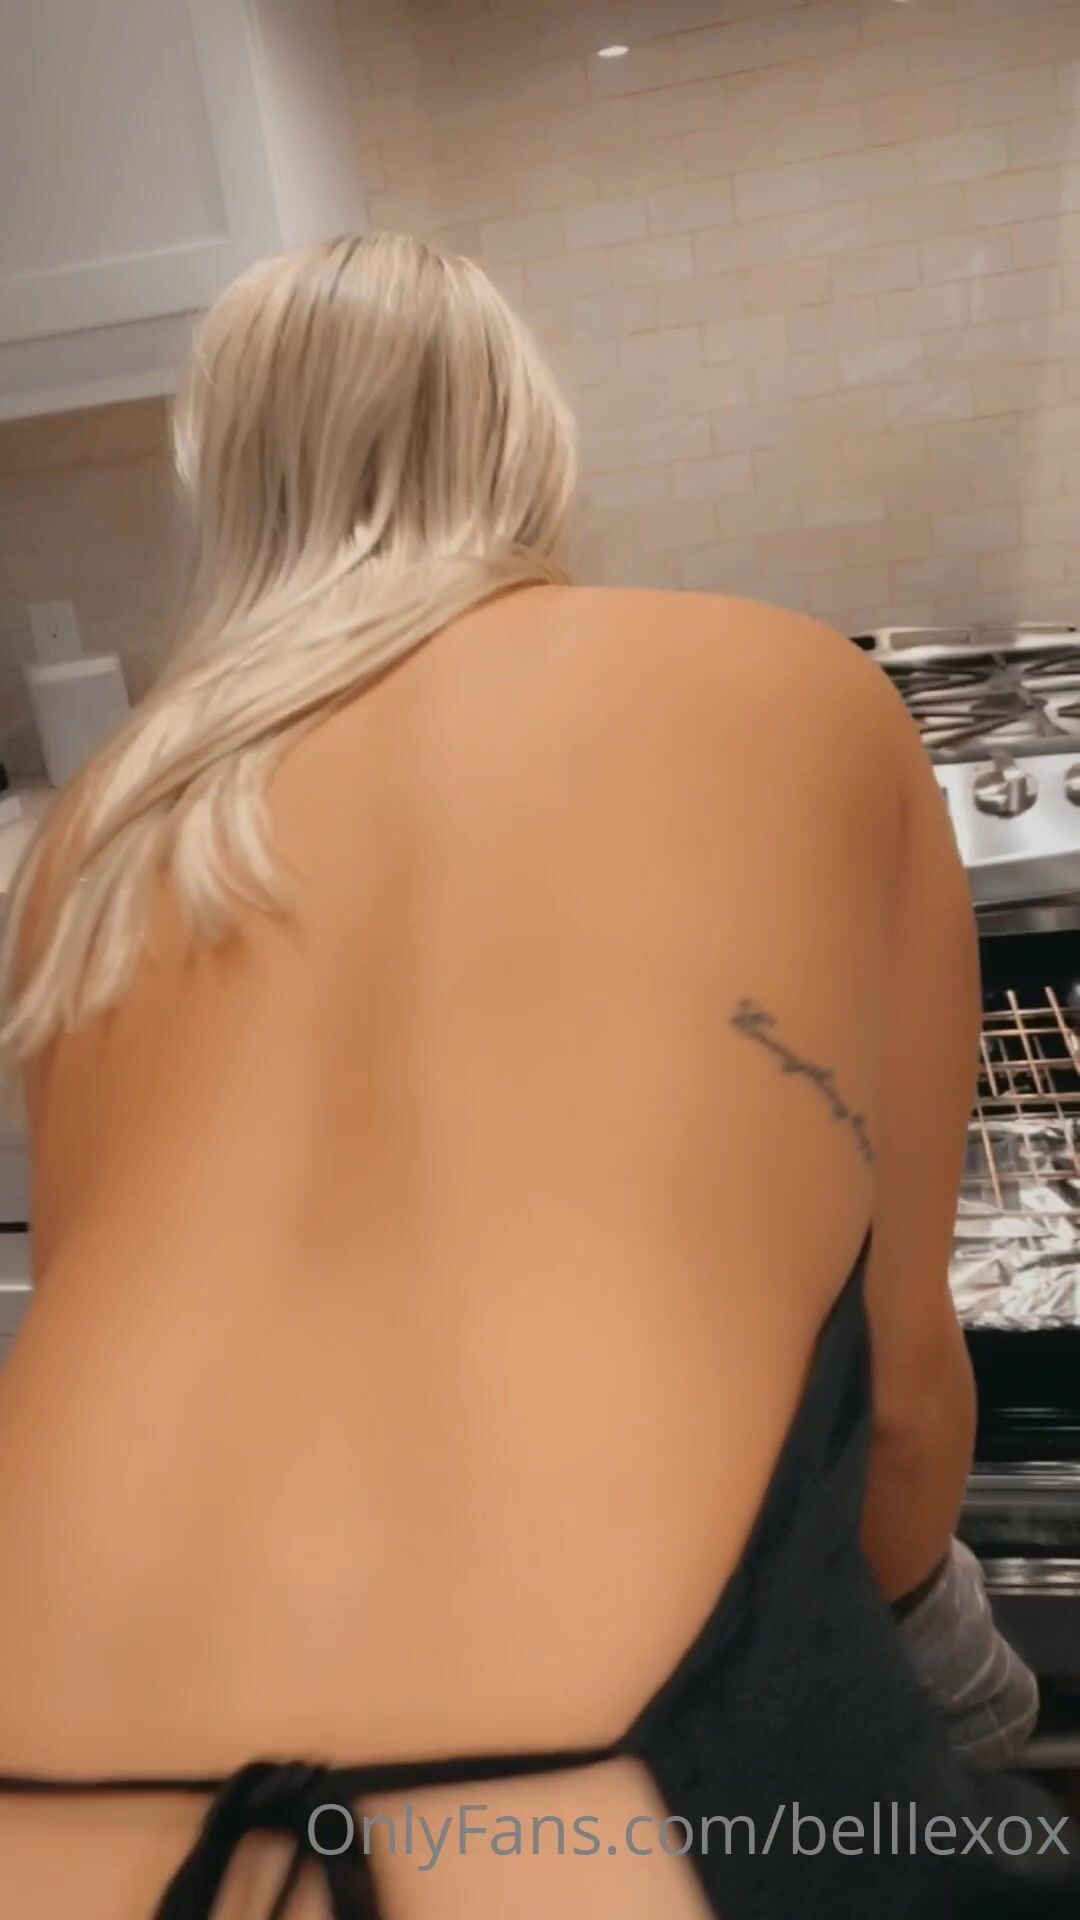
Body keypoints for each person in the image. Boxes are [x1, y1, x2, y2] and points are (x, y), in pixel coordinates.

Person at [0, 233, 1072, 1920]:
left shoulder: (103, 825)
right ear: (530, 437)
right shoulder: (793, 684)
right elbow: (903, 1424)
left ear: (224, 482)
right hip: (592, 1816)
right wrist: (963, 1694)